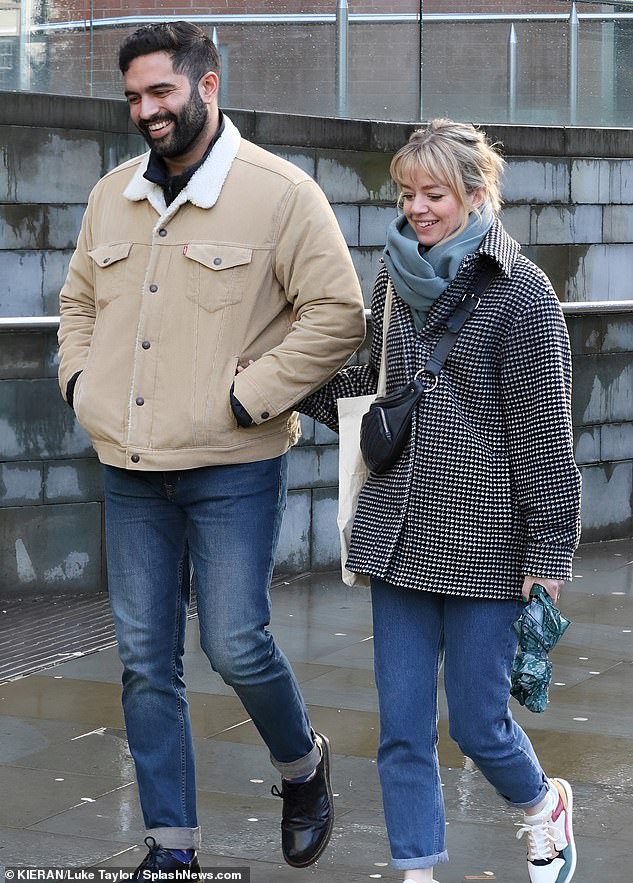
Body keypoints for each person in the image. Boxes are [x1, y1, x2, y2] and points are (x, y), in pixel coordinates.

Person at [57, 21, 365, 877]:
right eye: (133, 97)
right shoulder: (109, 194)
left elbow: (337, 315)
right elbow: (76, 303)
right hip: (128, 467)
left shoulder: (281, 194)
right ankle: (172, 846)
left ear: (207, 85)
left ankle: (302, 764)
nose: (145, 111)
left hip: (234, 465)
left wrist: (249, 395)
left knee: (234, 642)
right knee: (144, 662)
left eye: (160, 92)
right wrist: (82, 385)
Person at [301, 120, 581, 883]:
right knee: (401, 730)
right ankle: (417, 869)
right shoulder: (395, 276)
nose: (416, 208)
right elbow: (374, 397)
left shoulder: (523, 294)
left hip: (489, 543)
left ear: (476, 194)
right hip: (399, 532)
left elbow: (544, 435)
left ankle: (541, 807)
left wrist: (548, 551)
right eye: (406, 193)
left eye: (435, 194)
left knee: (481, 724)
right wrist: (290, 372)